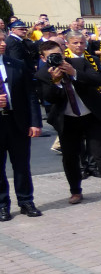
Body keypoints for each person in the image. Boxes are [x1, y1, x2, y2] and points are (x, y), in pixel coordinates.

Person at [35, 37, 101, 206]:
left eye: (59, 55)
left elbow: (98, 80)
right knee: (69, 157)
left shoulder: (78, 63)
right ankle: (75, 191)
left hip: (92, 116)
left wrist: (74, 73)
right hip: (68, 119)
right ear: (43, 58)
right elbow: (48, 98)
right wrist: (56, 83)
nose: (57, 59)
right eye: (51, 57)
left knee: (100, 154)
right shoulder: (43, 74)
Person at [0, 36, 43, 221]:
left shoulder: (16, 64)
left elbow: (30, 94)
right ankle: (2, 205)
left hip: (17, 122)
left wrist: (35, 122)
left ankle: (26, 201)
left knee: (22, 165)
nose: (3, 43)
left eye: (3, 39)